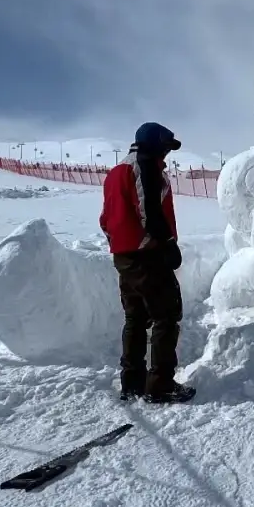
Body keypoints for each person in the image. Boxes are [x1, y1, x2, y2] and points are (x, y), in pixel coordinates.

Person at [100, 122, 194, 404]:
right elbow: (148, 211)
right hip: (147, 256)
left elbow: (106, 219)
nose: (167, 152)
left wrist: (119, 244)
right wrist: (166, 245)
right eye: (165, 146)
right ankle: (161, 385)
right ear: (153, 144)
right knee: (166, 316)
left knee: (136, 318)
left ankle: (132, 382)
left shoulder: (115, 172)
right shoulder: (143, 167)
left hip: (125, 257)